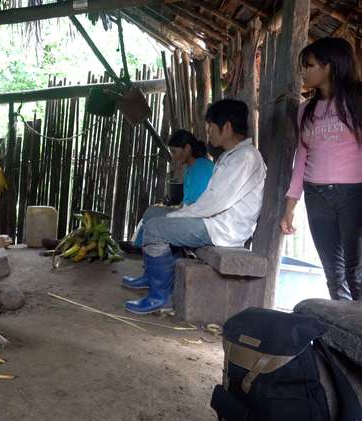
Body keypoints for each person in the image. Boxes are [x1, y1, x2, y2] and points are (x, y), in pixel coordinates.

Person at [123, 99, 267, 314]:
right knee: (154, 214)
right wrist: (178, 214)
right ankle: (151, 277)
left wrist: (178, 216)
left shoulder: (245, 158)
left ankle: (160, 297)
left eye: (211, 127)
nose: (208, 132)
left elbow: (214, 203)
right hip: (212, 220)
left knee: (155, 228)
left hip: (222, 229)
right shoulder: (232, 155)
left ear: (226, 127)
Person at [280, 37, 362, 301]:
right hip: (316, 197)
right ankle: (342, 337)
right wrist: (290, 208)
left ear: (329, 66)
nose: (304, 71)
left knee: (357, 272)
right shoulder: (305, 110)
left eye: (310, 65)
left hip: (354, 196)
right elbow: (301, 158)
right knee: (334, 273)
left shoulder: (358, 101)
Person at [124, 129, 214, 260]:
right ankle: (140, 247)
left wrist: (175, 213)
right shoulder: (192, 167)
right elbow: (188, 202)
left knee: (154, 220)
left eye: (174, 151)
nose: (173, 156)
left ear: (187, 148)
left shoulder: (201, 168)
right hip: (190, 213)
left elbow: (197, 205)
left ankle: (149, 252)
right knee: (152, 211)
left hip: (199, 220)